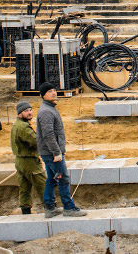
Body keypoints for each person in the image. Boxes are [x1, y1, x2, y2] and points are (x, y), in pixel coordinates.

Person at [35, 83, 86, 218]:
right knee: (63, 178)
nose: (54, 93)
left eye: (54, 90)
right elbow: (48, 134)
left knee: (52, 179)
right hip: (52, 153)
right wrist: (57, 152)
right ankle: (69, 207)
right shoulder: (46, 111)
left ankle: (50, 207)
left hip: (49, 152)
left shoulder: (49, 109)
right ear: (43, 95)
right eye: (50, 91)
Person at [11, 100, 45, 215]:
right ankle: (50, 207)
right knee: (43, 185)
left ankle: (25, 211)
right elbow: (35, 141)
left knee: (24, 188)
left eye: (30, 110)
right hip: (29, 162)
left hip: (20, 161)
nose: (29, 113)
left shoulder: (16, 124)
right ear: (19, 113)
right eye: (26, 111)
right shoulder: (23, 127)